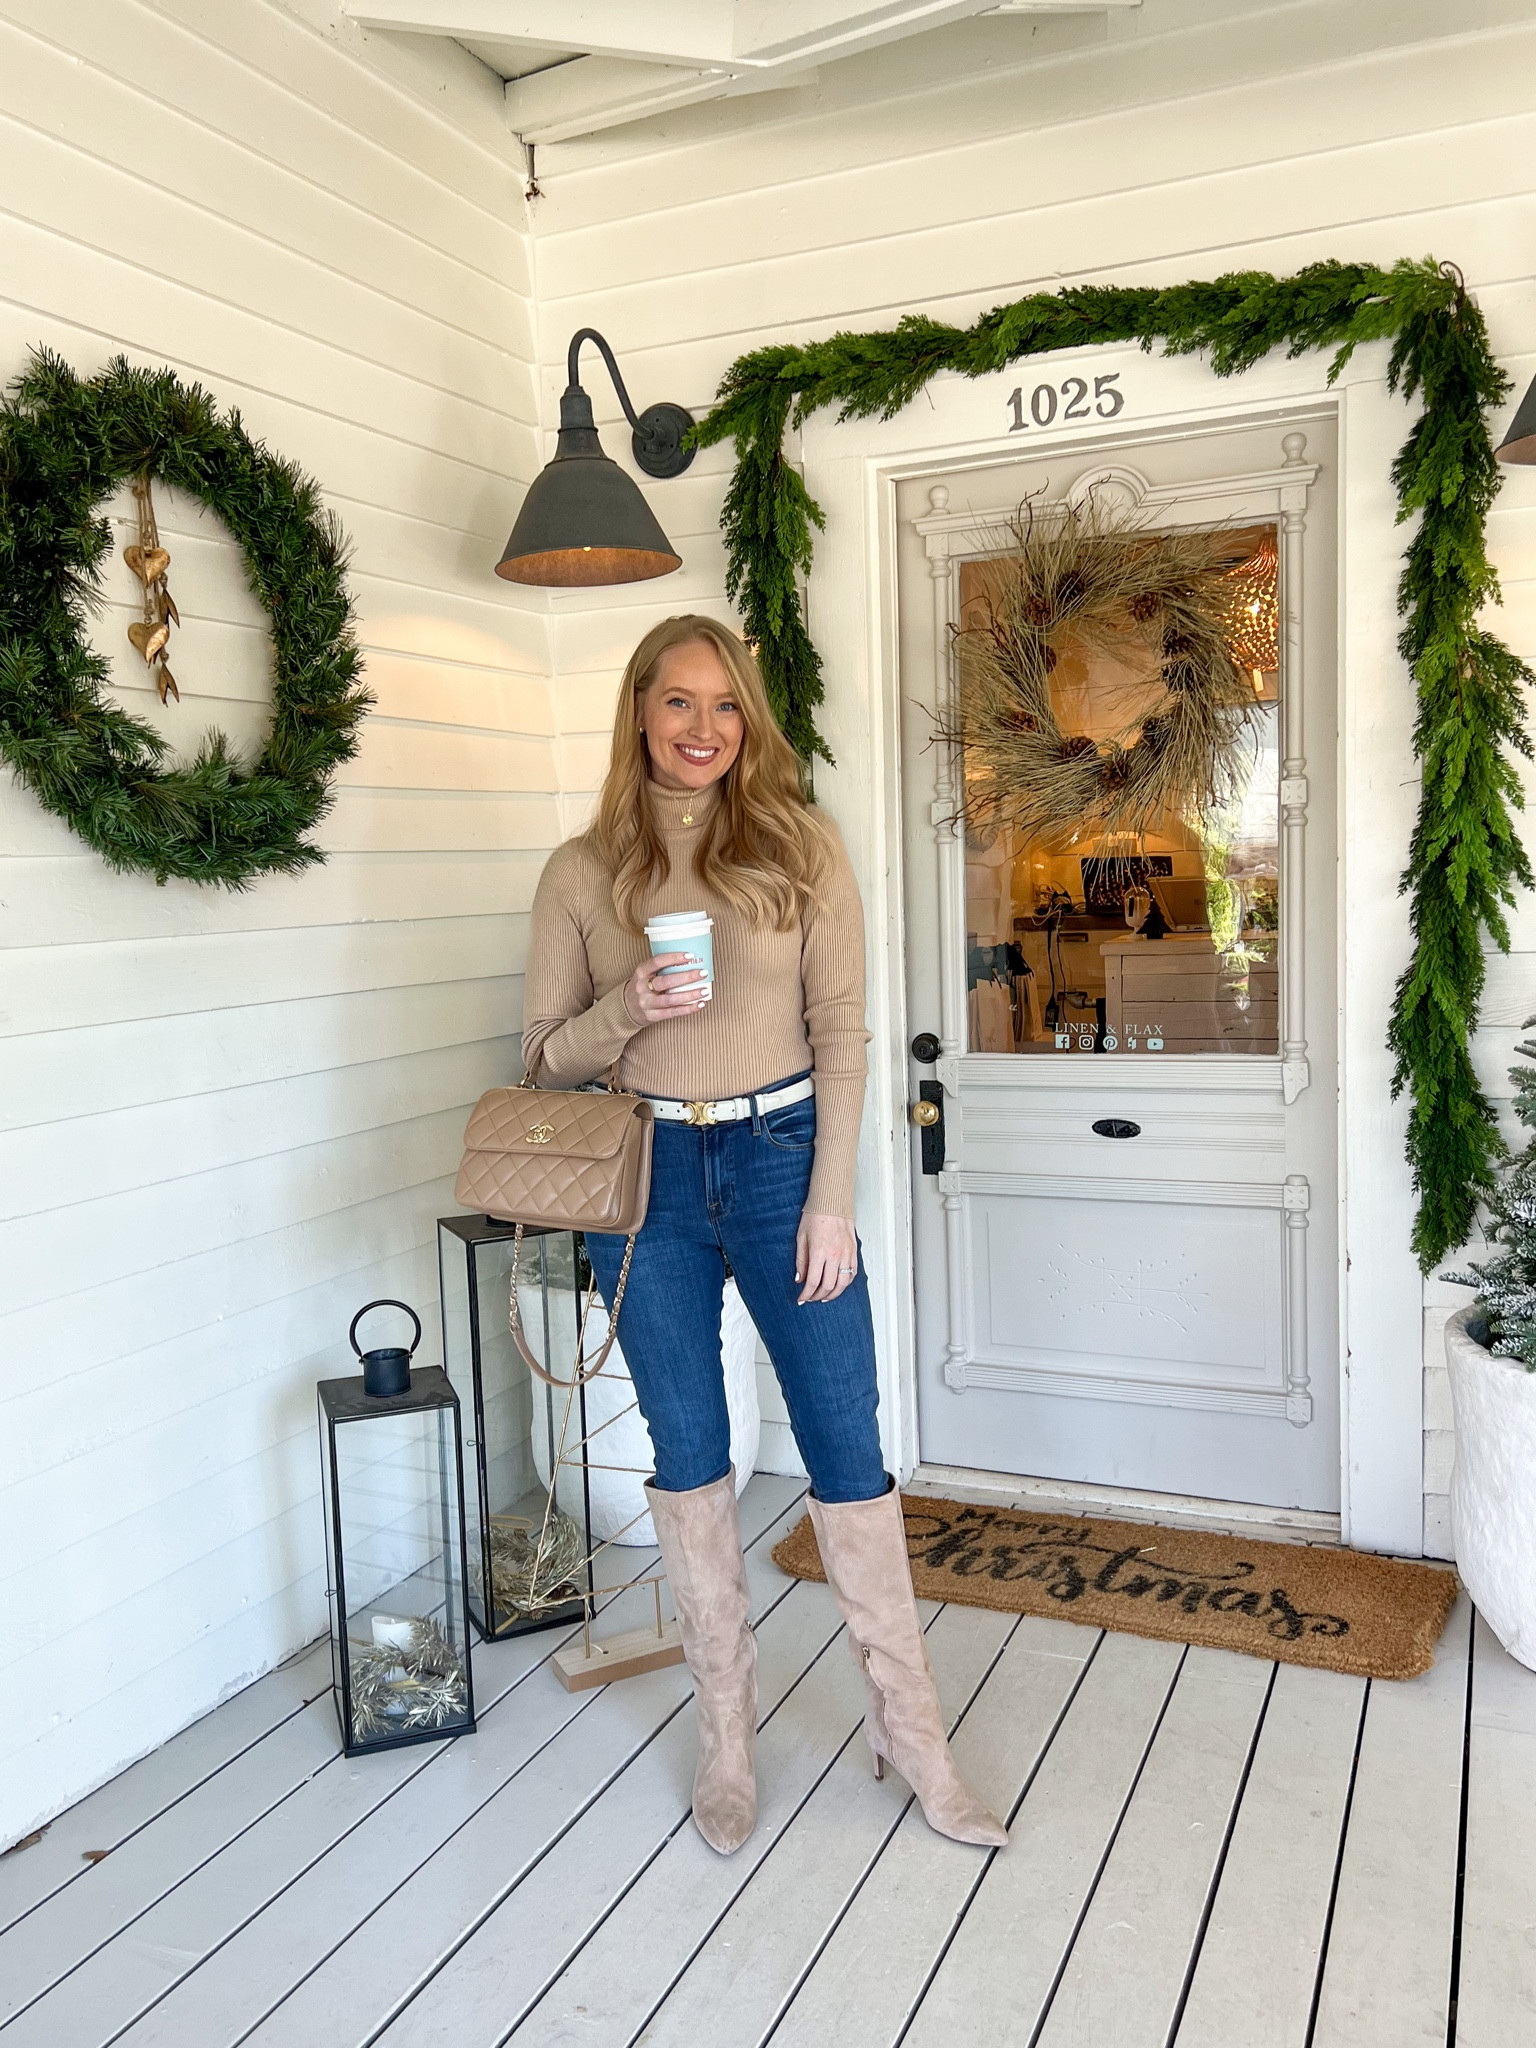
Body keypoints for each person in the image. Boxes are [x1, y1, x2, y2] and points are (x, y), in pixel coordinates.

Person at [522, 614, 1006, 1856]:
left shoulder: (799, 845)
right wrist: (624, 1006)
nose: (703, 729)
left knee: (847, 1442)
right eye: (678, 703)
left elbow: (842, 1031)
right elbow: (538, 1057)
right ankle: (727, 1735)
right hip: (647, 1179)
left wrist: (830, 1194)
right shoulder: (582, 875)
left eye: (725, 706)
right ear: (639, 712)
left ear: (751, 720)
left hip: (784, 1155)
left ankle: (914, 1737)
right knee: (692, 1453)